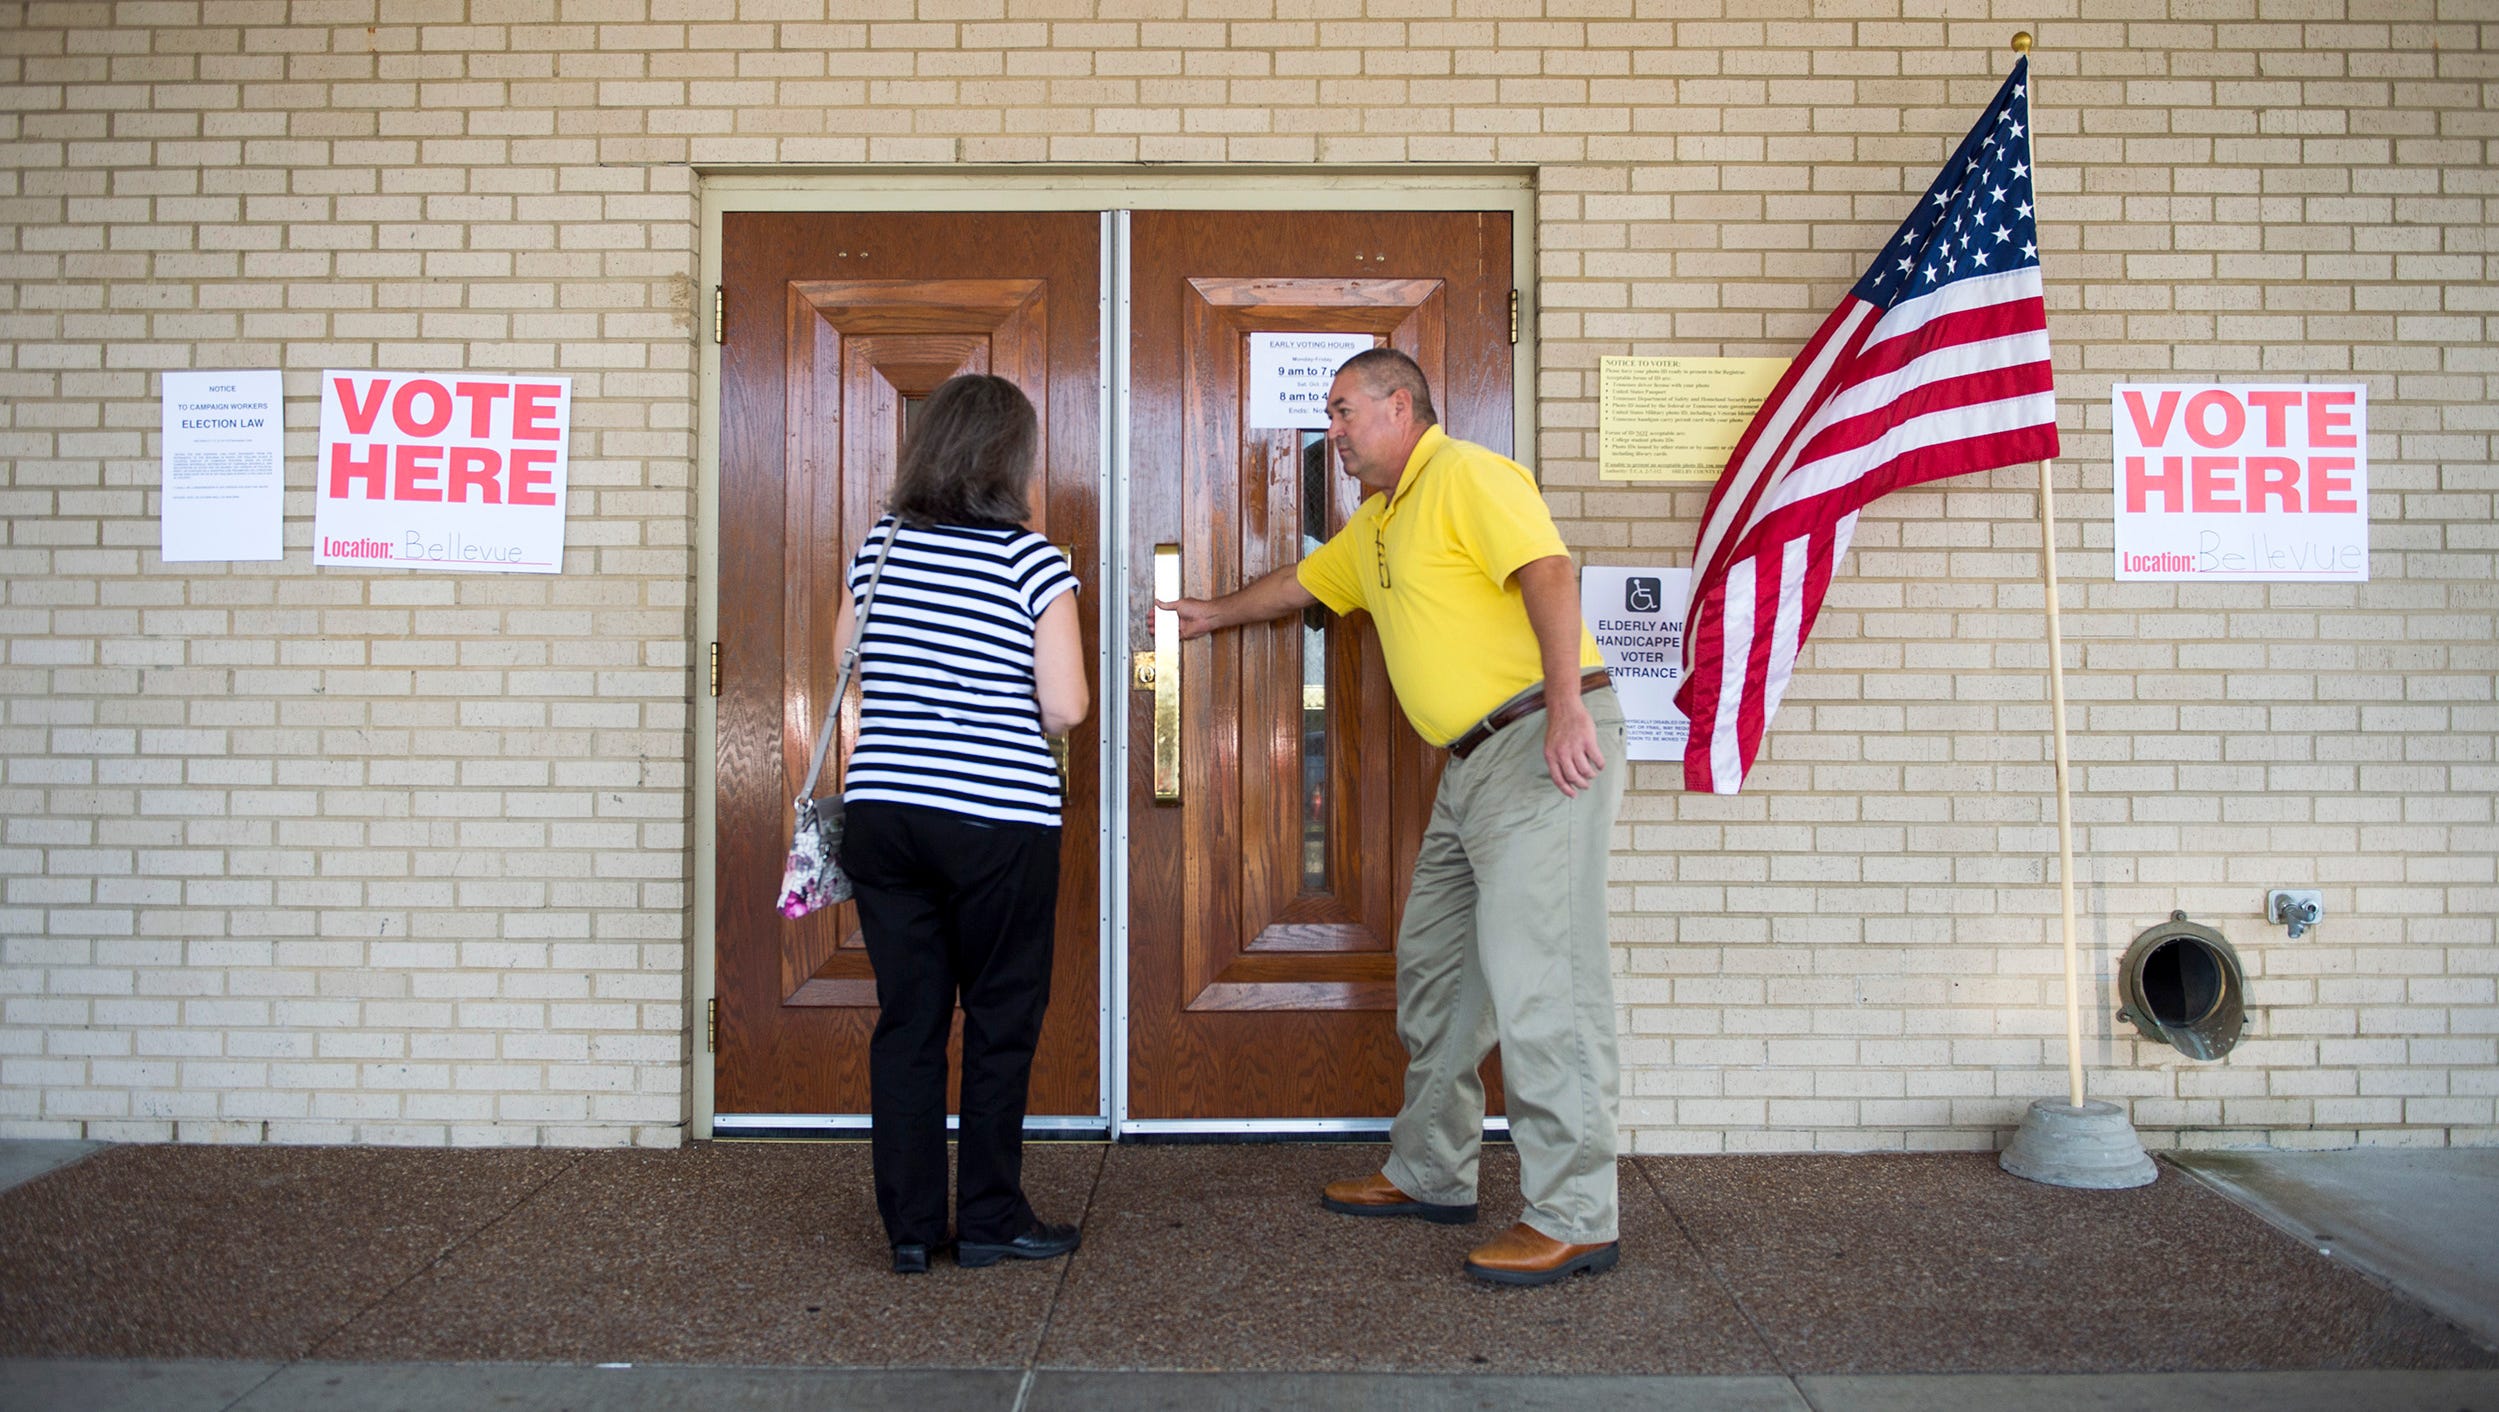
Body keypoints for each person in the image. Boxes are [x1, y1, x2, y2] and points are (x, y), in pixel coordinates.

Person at [1161, 348, 1627, 1286]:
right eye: (1329, 415)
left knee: (1546, 982)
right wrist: (1211, 612)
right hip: (1470, 766)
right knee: (1437, 970)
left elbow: (1546, 570)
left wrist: (1570, 703)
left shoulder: (1468, 476)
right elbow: (1301, 585)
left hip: (1541, 740)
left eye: (1341, 412)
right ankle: (1431, 1169)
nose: (1330, 431)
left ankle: (1576, 1214)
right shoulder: (1378, 525)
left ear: (1399, 403)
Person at [832, 374, 1090, 1275]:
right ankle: (988, 1218)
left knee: (907, 1022)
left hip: (884, 813)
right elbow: (1065, 708)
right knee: (997, 1018)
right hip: (995, 820)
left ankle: (908, 1230)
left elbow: (846, 667)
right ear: (1007, 459)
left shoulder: (880, 549)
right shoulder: (1032, 562)